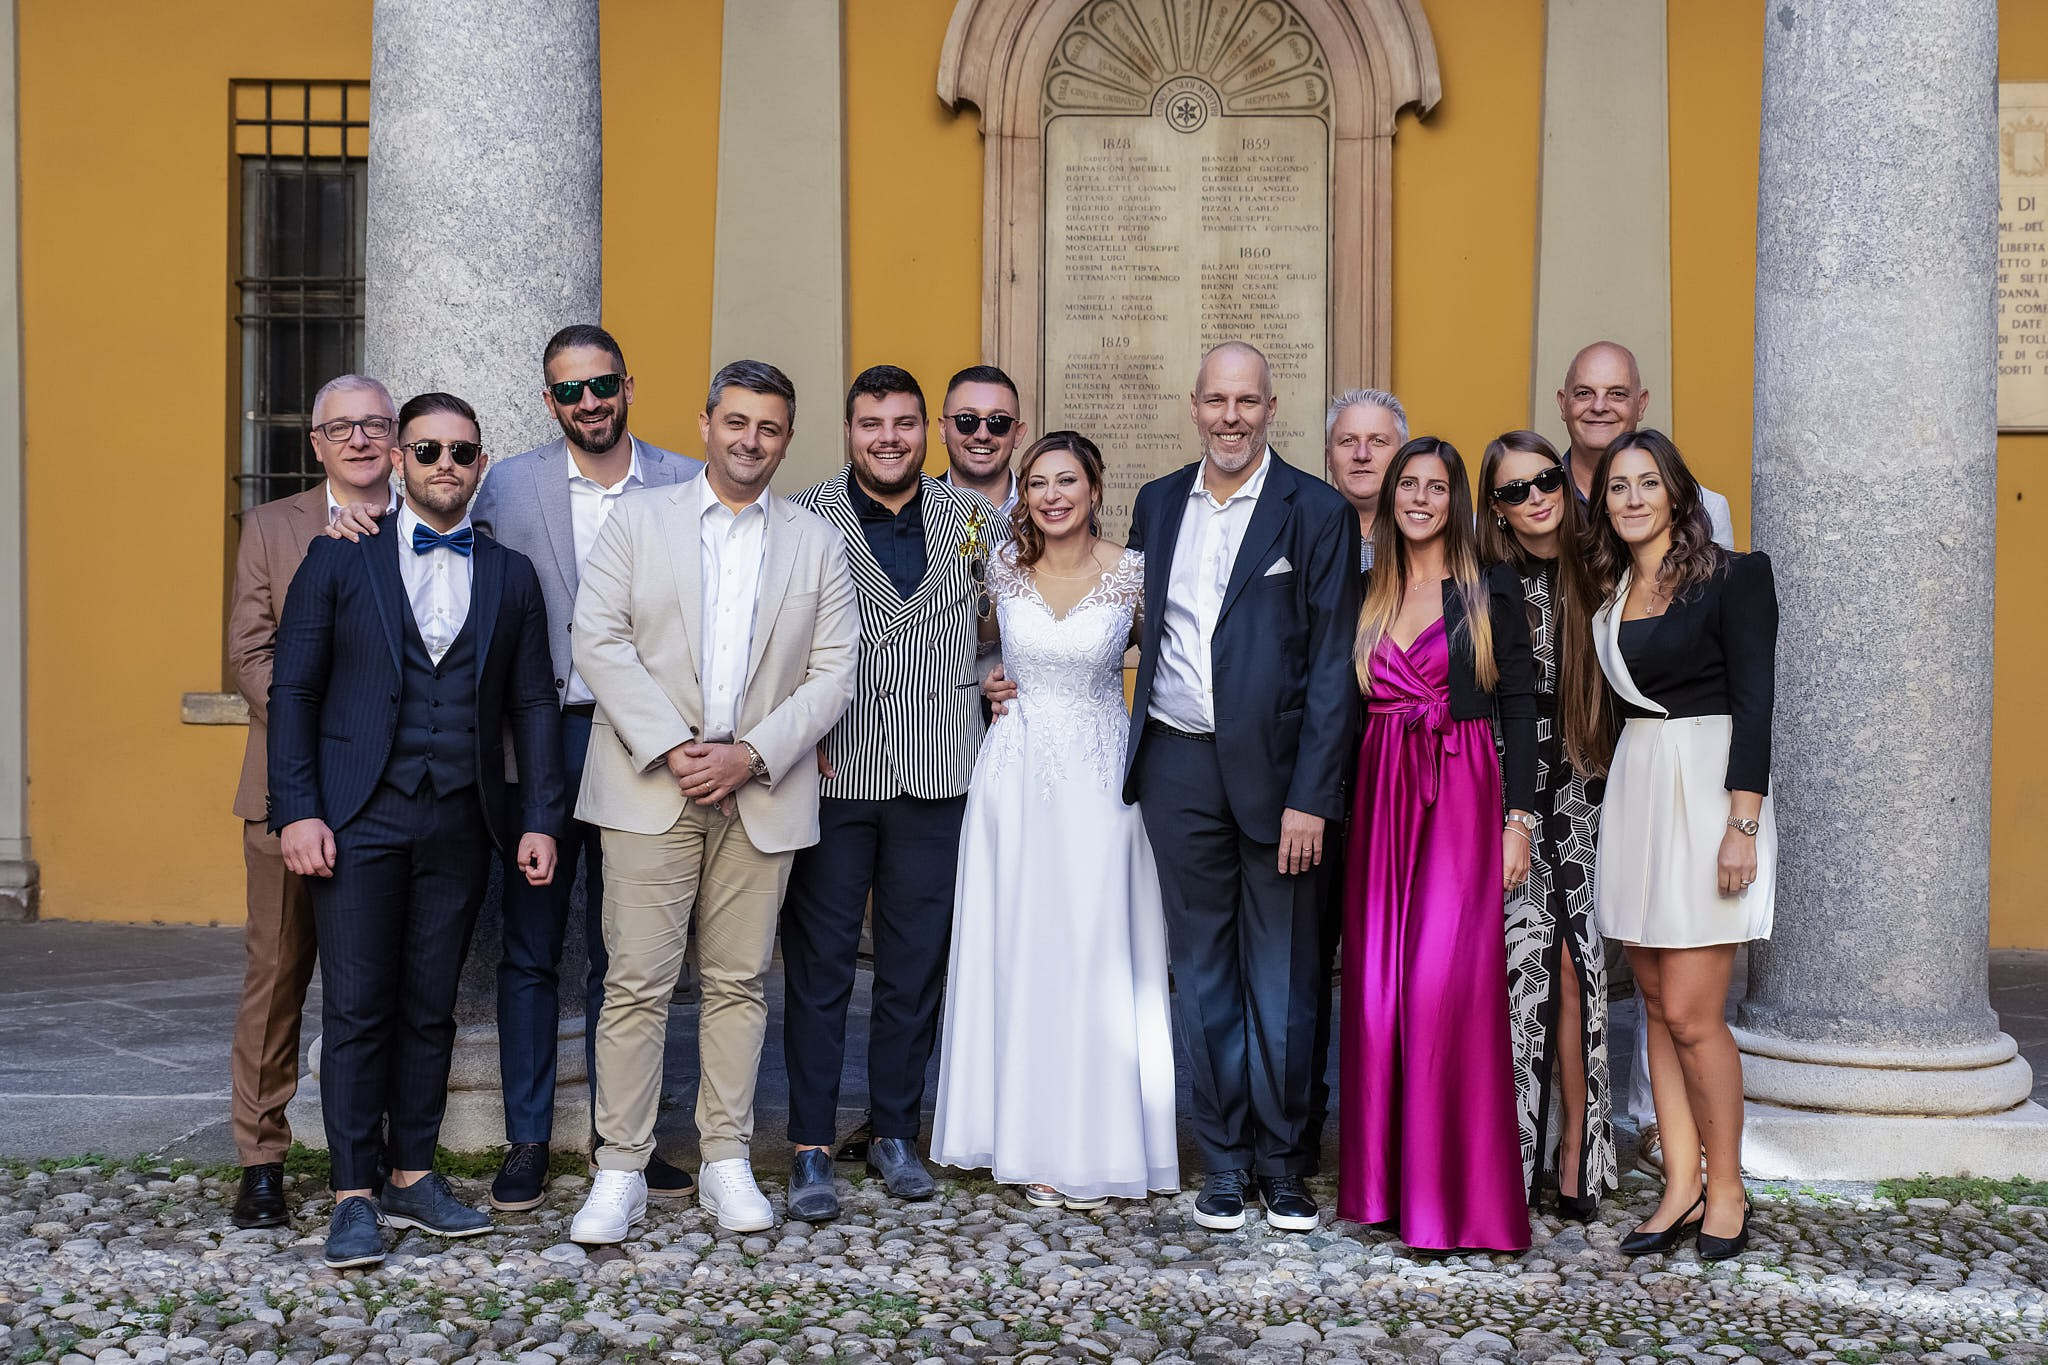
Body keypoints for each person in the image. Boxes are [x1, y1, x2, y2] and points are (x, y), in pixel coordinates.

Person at [328, 325, 705, 1208]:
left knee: (631, 951)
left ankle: (625, 1137)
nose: (588, 402)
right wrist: (345, 516)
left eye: (601, 384)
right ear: (548, 400)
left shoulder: (687, 482)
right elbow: (423, 527)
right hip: (536, 741)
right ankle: (528, 1139)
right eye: (569, 390)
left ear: (628, 385)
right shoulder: (501, 480)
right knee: (531, 946)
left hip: (651, 741)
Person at [566, 361, 859, 1240]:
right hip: (648, 783)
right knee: (636, 983)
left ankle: (725, 1157)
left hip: (761, 790)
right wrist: (674, 747)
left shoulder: (817, 541)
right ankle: (620, 1167)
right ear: (705, 425)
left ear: (787, 439)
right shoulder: (638, 520)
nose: (750, 440)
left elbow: (834, 671)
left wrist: (750, 756)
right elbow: (597, 638)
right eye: (736, 422)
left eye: (769, 427)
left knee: (739, 982)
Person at [269, 392, 562, 1270]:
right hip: (357, 814)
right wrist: (298, 808)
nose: (445, 464)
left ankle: (411, 1173)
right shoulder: (338, 556)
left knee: (431, 1008)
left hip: (461, 819)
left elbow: (532, 704)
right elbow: (294, 690)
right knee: (358, 1007)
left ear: (481, 465)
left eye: (462, 452)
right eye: (427, 449)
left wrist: (540, 818)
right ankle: (352, 1193)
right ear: (398, 459)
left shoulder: (511, 575)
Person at [1120, 341, 1360, 1232]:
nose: (1231, 417)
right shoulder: (1157, 504)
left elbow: (1333, 668)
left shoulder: (1317, 511)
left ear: (1270, 408)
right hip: (1177, 766)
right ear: (1194, 405)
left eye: (1247, 401)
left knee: (1286, 975)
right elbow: (1120, 621)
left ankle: (1285, 1162)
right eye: (1217, 400)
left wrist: (1313, 796)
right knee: (1204, 971)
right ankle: (1224, 1160)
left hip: (1281, 779)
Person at [932, 431, 1177, 1210]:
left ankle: (1100, 1140)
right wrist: (985, 682)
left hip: (1102, 780)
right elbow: (959, 653)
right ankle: (1025, 1136)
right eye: (1037, 482)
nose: (1051, 495)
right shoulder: (1000, 568)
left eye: (1066, 480)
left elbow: (1174, 664)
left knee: (1096, 949)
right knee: (1022, 947)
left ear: (1095, 489)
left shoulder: (1135, 574)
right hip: (1015, 777)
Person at [781, 365, 1002, 1220]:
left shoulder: (976, 519)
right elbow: (774, 638)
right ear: (849, 430)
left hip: (940, 771)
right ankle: (808, 1144)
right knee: (821, 966)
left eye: (904, 423)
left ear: (927, 431)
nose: (889, 438)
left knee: (914, 967)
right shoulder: (803, 518)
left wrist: (1003, 675)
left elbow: (1003, 623)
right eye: (872, 423)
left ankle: (896, 1132)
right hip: (835, 772)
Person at [1339, 435, 1537, 1254]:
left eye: (1436, 487)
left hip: (1460, 787)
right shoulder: (1366, 590)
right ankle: (1387, 1189)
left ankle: (1451, 1200)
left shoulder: (1490, 588)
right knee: (1379, 987)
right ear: (1390, 498)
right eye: (1408, 485)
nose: (1420, 498)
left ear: (1457, 501)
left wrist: (1518, 819)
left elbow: (1520, 704)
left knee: (1441, 985)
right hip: (1380, 794)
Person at [1586, 428, 1777, 1262]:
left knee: (1696, 1015)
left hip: (1707, 797)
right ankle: (1680, 1185)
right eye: (1617, 486)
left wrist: (1743, 824)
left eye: (1647, 482)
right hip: (1638, 795)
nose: (1632, 498)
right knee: (1658, 1008)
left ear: (1676, 494)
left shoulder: (1736, 576)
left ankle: (1727, 1186)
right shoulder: (1609, 592)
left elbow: (1756, 705)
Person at [1553, 338, 1734, 1173]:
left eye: (1616, 392)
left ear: (1641, 402)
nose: (1600, 405)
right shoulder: (1539, 493)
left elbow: (1727, 663)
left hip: (1682, 764)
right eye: (1585, 392)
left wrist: (1740, 813)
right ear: (1564, 401)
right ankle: (1584, 1128)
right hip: (1593, 757)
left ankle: (1670, 1133)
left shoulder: (1710, 520)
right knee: (1618, 964)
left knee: (1680, 977)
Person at [224, 374, 398, 1229]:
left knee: (382, 979)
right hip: (285, 789)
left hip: (389, 792)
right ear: (316, 443)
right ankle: (262, 1158)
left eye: (374, 424)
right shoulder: (272, 526)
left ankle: (376, 1154)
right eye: (342, 427)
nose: (359, 438)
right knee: (279, 972)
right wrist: (323, 730)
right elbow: (249, 654)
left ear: (395, 438)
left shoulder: (426, 523)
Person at [1477, 430, 1617, 1220]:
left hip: (1592, 784)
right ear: (1495, 507)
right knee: (1525, 966)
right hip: (1516, 787)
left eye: (1545, 481)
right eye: (1513, 490)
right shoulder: (1487, 579)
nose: (1534, 498)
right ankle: (1519, 1152)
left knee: (1578, 964)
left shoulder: (1602, 567)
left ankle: (1577, 1153)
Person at [1324, 388, 1406, 576]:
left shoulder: (1429, 537)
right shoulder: (1302, 531)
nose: (1362, 455)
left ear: (1403, 455)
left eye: (1378, 441)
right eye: (1348, 441)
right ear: (1329, 457)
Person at [938, 364, 1025, 513]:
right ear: (943, 429)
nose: (982, 435)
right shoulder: (914, 509)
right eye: (966, 420)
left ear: (1018, 434)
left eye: (998, 422)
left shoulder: (1046, 511)